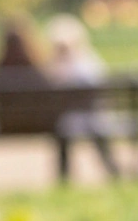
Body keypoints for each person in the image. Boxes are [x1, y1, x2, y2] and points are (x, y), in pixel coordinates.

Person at [44, 14, 120, 179]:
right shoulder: (89, 63)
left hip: (68, 122)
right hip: (93, 120)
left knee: (67, 128)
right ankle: (113, 170)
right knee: (94, 126)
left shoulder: (56, 68)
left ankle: (64, 176)